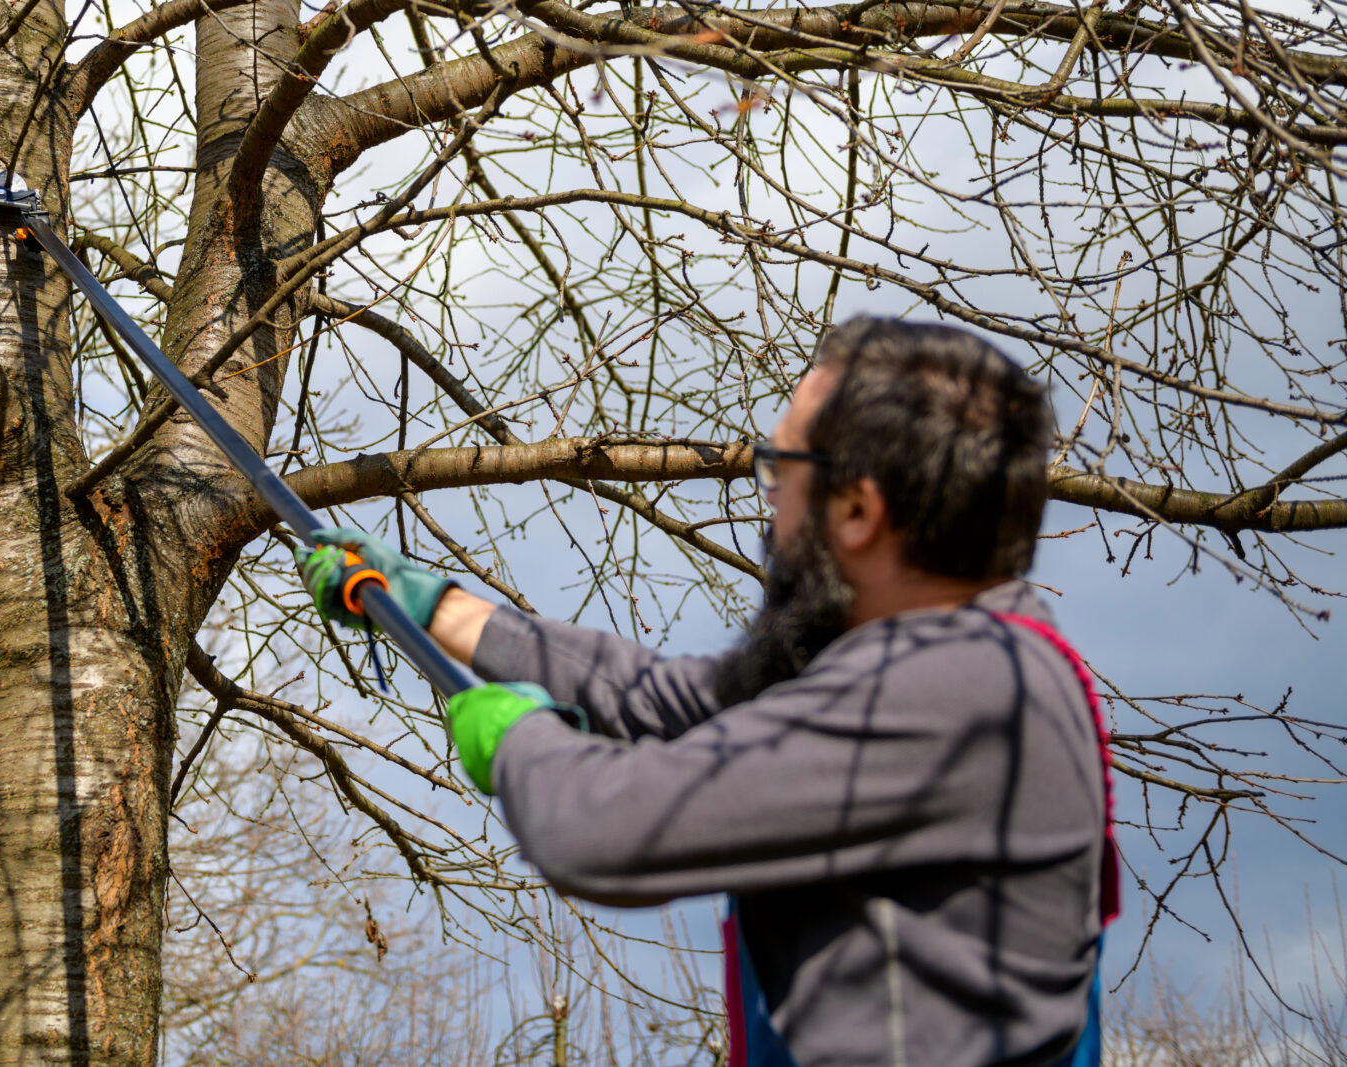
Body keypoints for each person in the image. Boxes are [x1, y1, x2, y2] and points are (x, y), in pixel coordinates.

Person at [297, 317, 1118, 1067]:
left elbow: (603, 828)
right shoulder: (948, 665)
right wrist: (436, 606)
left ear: (860, 509)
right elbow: (663, 698)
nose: (768, 498)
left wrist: (517, 738)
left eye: (781, 467)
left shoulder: (952, 690)